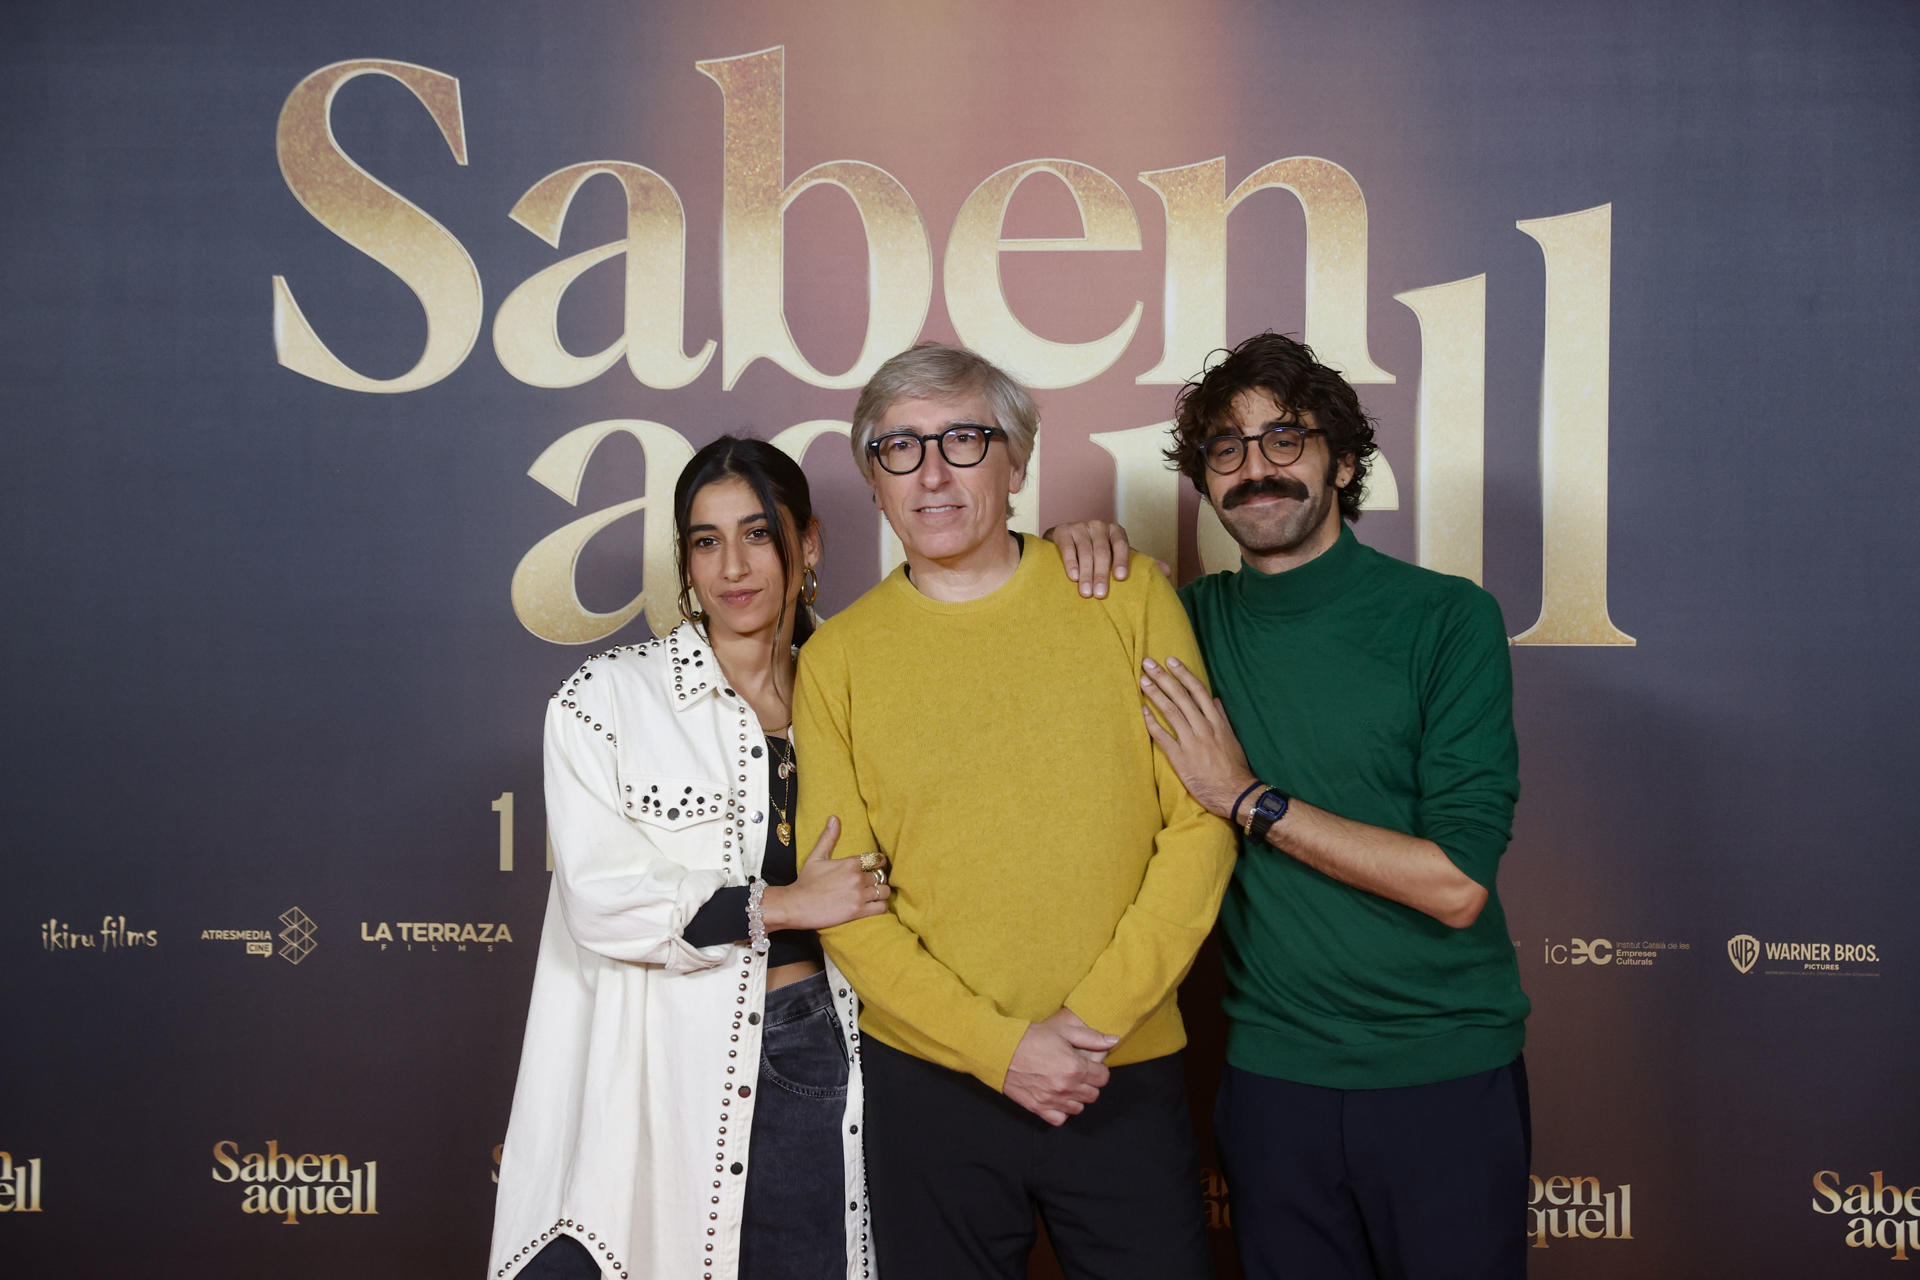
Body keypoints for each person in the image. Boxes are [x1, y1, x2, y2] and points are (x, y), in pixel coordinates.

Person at [1050, 331, 1532, 1279]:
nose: (1254, 469)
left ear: (1343, 462)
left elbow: (1456, 886)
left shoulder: (1446, 618)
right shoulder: (1190, 623)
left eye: (1286, 439)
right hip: (1274, 1085)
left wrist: (1247, 800)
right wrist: (1078, 544)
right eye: (1226, 448)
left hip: (1441, 1071)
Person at [791, 343, 1237, 1280]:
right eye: (900, 449)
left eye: (964, 439)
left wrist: (1085, 1030)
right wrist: (1001, 1048)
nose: (933, 472)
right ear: (873, 481)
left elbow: (1199, 826)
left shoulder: (1125, 596)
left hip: (1117, 1061)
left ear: (1018, 461)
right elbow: (846, 904)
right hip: (933, 1082)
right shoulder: (837, 660)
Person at [490, 436, 892, 1280]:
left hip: (831, 1047)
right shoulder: (608, 700)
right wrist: (783, 906)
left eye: (757, 533)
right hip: (659, 1067)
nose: (733, 567)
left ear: (808, 542)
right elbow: (601, 900)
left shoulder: (861, 688)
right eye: (706, 542)